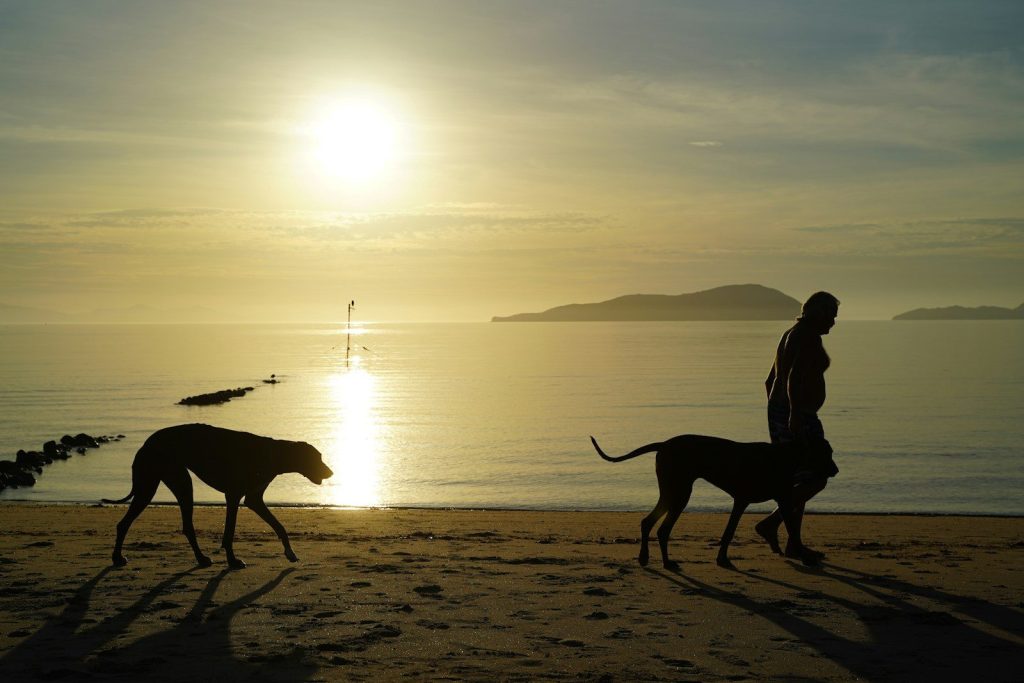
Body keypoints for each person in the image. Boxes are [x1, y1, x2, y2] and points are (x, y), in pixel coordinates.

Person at [755, 291, 840, 563]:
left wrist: (777, 412)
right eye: (831, 316)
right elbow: (793, 377)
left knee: (800, 477)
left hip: (785, 412)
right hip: (798, 415)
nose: (833, 322)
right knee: (818, 475)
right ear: (818, 313)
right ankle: (772, 523)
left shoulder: (790, 334)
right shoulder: (807, 336)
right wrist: (794, 415)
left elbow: (770, 381)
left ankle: (794, 543)